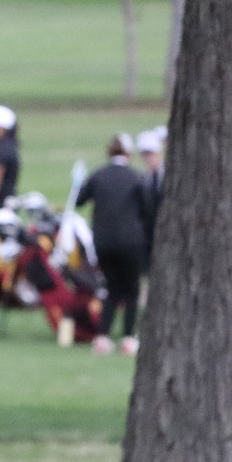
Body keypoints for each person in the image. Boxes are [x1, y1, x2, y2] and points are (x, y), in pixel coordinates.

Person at [75, 134, 148, 356]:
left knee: (111, 288)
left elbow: (79, 200)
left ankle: (103, 337)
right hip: (130, 241)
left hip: (103, 241)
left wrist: (78, 182)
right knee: (131, 290)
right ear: (129, 154)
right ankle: (128, 337)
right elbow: (147, 210)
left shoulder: (98, 176)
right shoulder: (136, 177)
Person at [136, 126, 166, 269]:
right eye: (145, 155)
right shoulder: (142, 179)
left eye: (151, 154)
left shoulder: (166, 176)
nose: (148, 159)